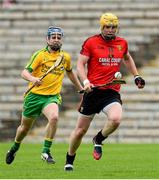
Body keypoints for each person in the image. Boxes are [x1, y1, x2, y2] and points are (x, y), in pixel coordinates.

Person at [64, 12, 145, 171]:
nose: (111, 30)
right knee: (80, 131)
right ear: (102, 27)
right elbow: (80, 65)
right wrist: (85, 81)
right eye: (107, 27)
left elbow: (127, 58)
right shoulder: (91, 42)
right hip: (92, 92)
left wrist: (136, 76)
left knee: (116, 119)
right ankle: (69, 159)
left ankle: (98, 139)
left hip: (111, 92)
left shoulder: (122, 43)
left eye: (114, 27)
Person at [5, 26, 83, 165]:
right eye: (53, 37)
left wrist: (80, 88)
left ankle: (46, 151)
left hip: (51, 97)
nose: (56, 40)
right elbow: (24, 72)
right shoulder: (39, 55)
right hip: (34, 96)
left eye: (59, 37)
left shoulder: (65, 57)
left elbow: (70, 72)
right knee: (24, 129)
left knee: (54, 117)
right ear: (47, 39)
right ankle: (14, 148)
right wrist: (33, 79)